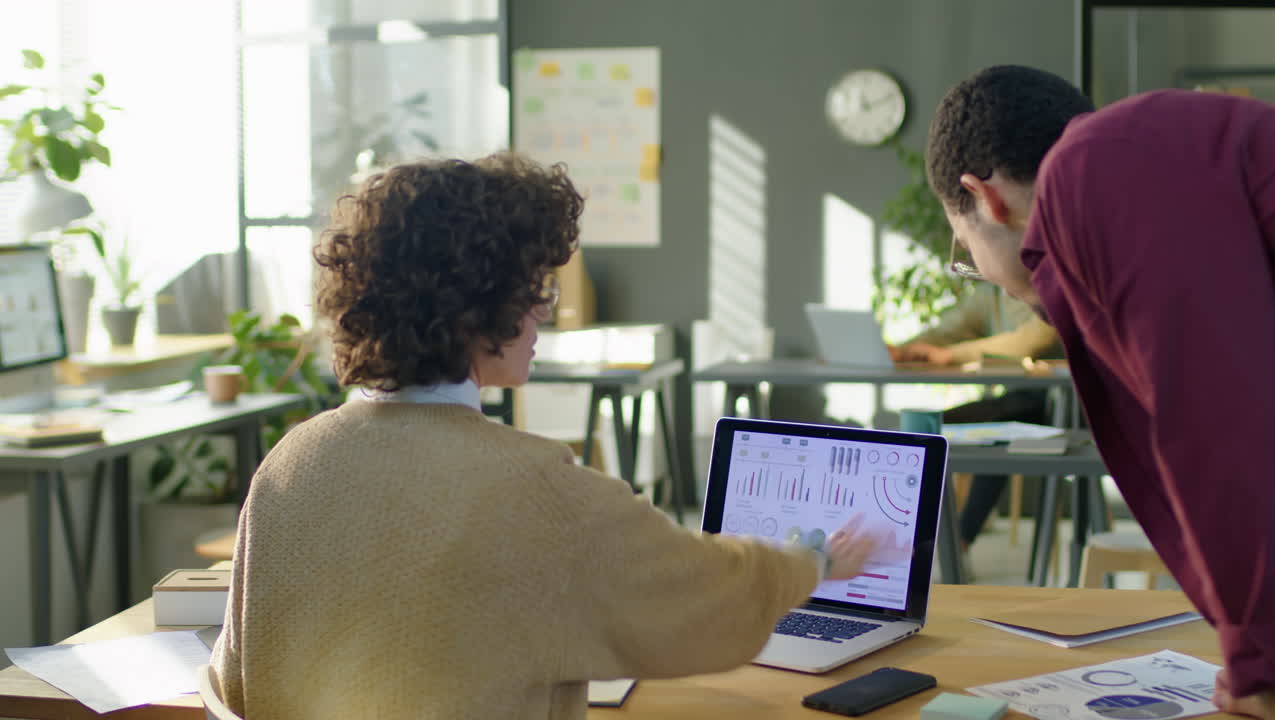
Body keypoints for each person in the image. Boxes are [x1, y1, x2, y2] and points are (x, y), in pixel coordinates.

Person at [210, 152, 882, 720]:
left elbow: (235, 680)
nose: (542, 314)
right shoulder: (536, 488)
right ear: (479, 309)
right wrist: (812, 563)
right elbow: (701, 598)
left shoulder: (290, 462)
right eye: (533, 291)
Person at [925, 65, 1275, 719]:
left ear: (984, 197)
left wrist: (1263, 663)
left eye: (962, 243)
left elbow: (1220, 421)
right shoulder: (1143, 154)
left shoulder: (1089, 169)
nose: (977, 268)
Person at [887, 283, 1063, 550]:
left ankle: (957, 542)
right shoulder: (990, 291)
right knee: (929, 427)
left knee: (997, 432)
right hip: (1016, 402)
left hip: (1064, 406)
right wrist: (905, 350)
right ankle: (926, 538)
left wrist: (952, 355)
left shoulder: (1052, 285)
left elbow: (1034, 339)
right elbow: (949, 330)